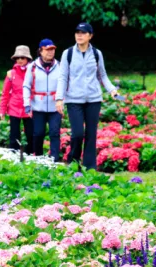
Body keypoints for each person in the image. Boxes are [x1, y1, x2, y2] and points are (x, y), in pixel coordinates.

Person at [55, 22, 118, 170]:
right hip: (73, 100)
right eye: (77, 32)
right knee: (77, 134)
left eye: (83, 33)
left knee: (91, 135)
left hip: (93, 99)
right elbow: (63, 77)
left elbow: (102, 75)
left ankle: (90, 168)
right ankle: (73, 163)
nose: (79, 35)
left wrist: (112, 90)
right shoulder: (67, 53)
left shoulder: (97, 53)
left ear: (90, 36)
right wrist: (59, 98)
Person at [23, 39, 62, 162]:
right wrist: (27, 105)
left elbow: (65, 84)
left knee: (54, 133)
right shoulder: (32, 67)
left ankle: (54, 160)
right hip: (38, 106)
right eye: (47, 50)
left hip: (55, 106)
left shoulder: (60, 66)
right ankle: (38, 159)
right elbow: (26, 86)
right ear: (40, 51)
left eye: (53, 49)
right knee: (38, 133)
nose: (51, 52)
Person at [0, 45, 34, 153]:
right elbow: (5, 93)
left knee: (31, 134)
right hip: (14, 107)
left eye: (22, 58)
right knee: (14, 135)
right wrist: (2, 109)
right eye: (17, 58)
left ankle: (31, 156)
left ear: (27, 59)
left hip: (29, 107)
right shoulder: (11, 74)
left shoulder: (34, 72)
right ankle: (13, 156)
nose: (19, 60)